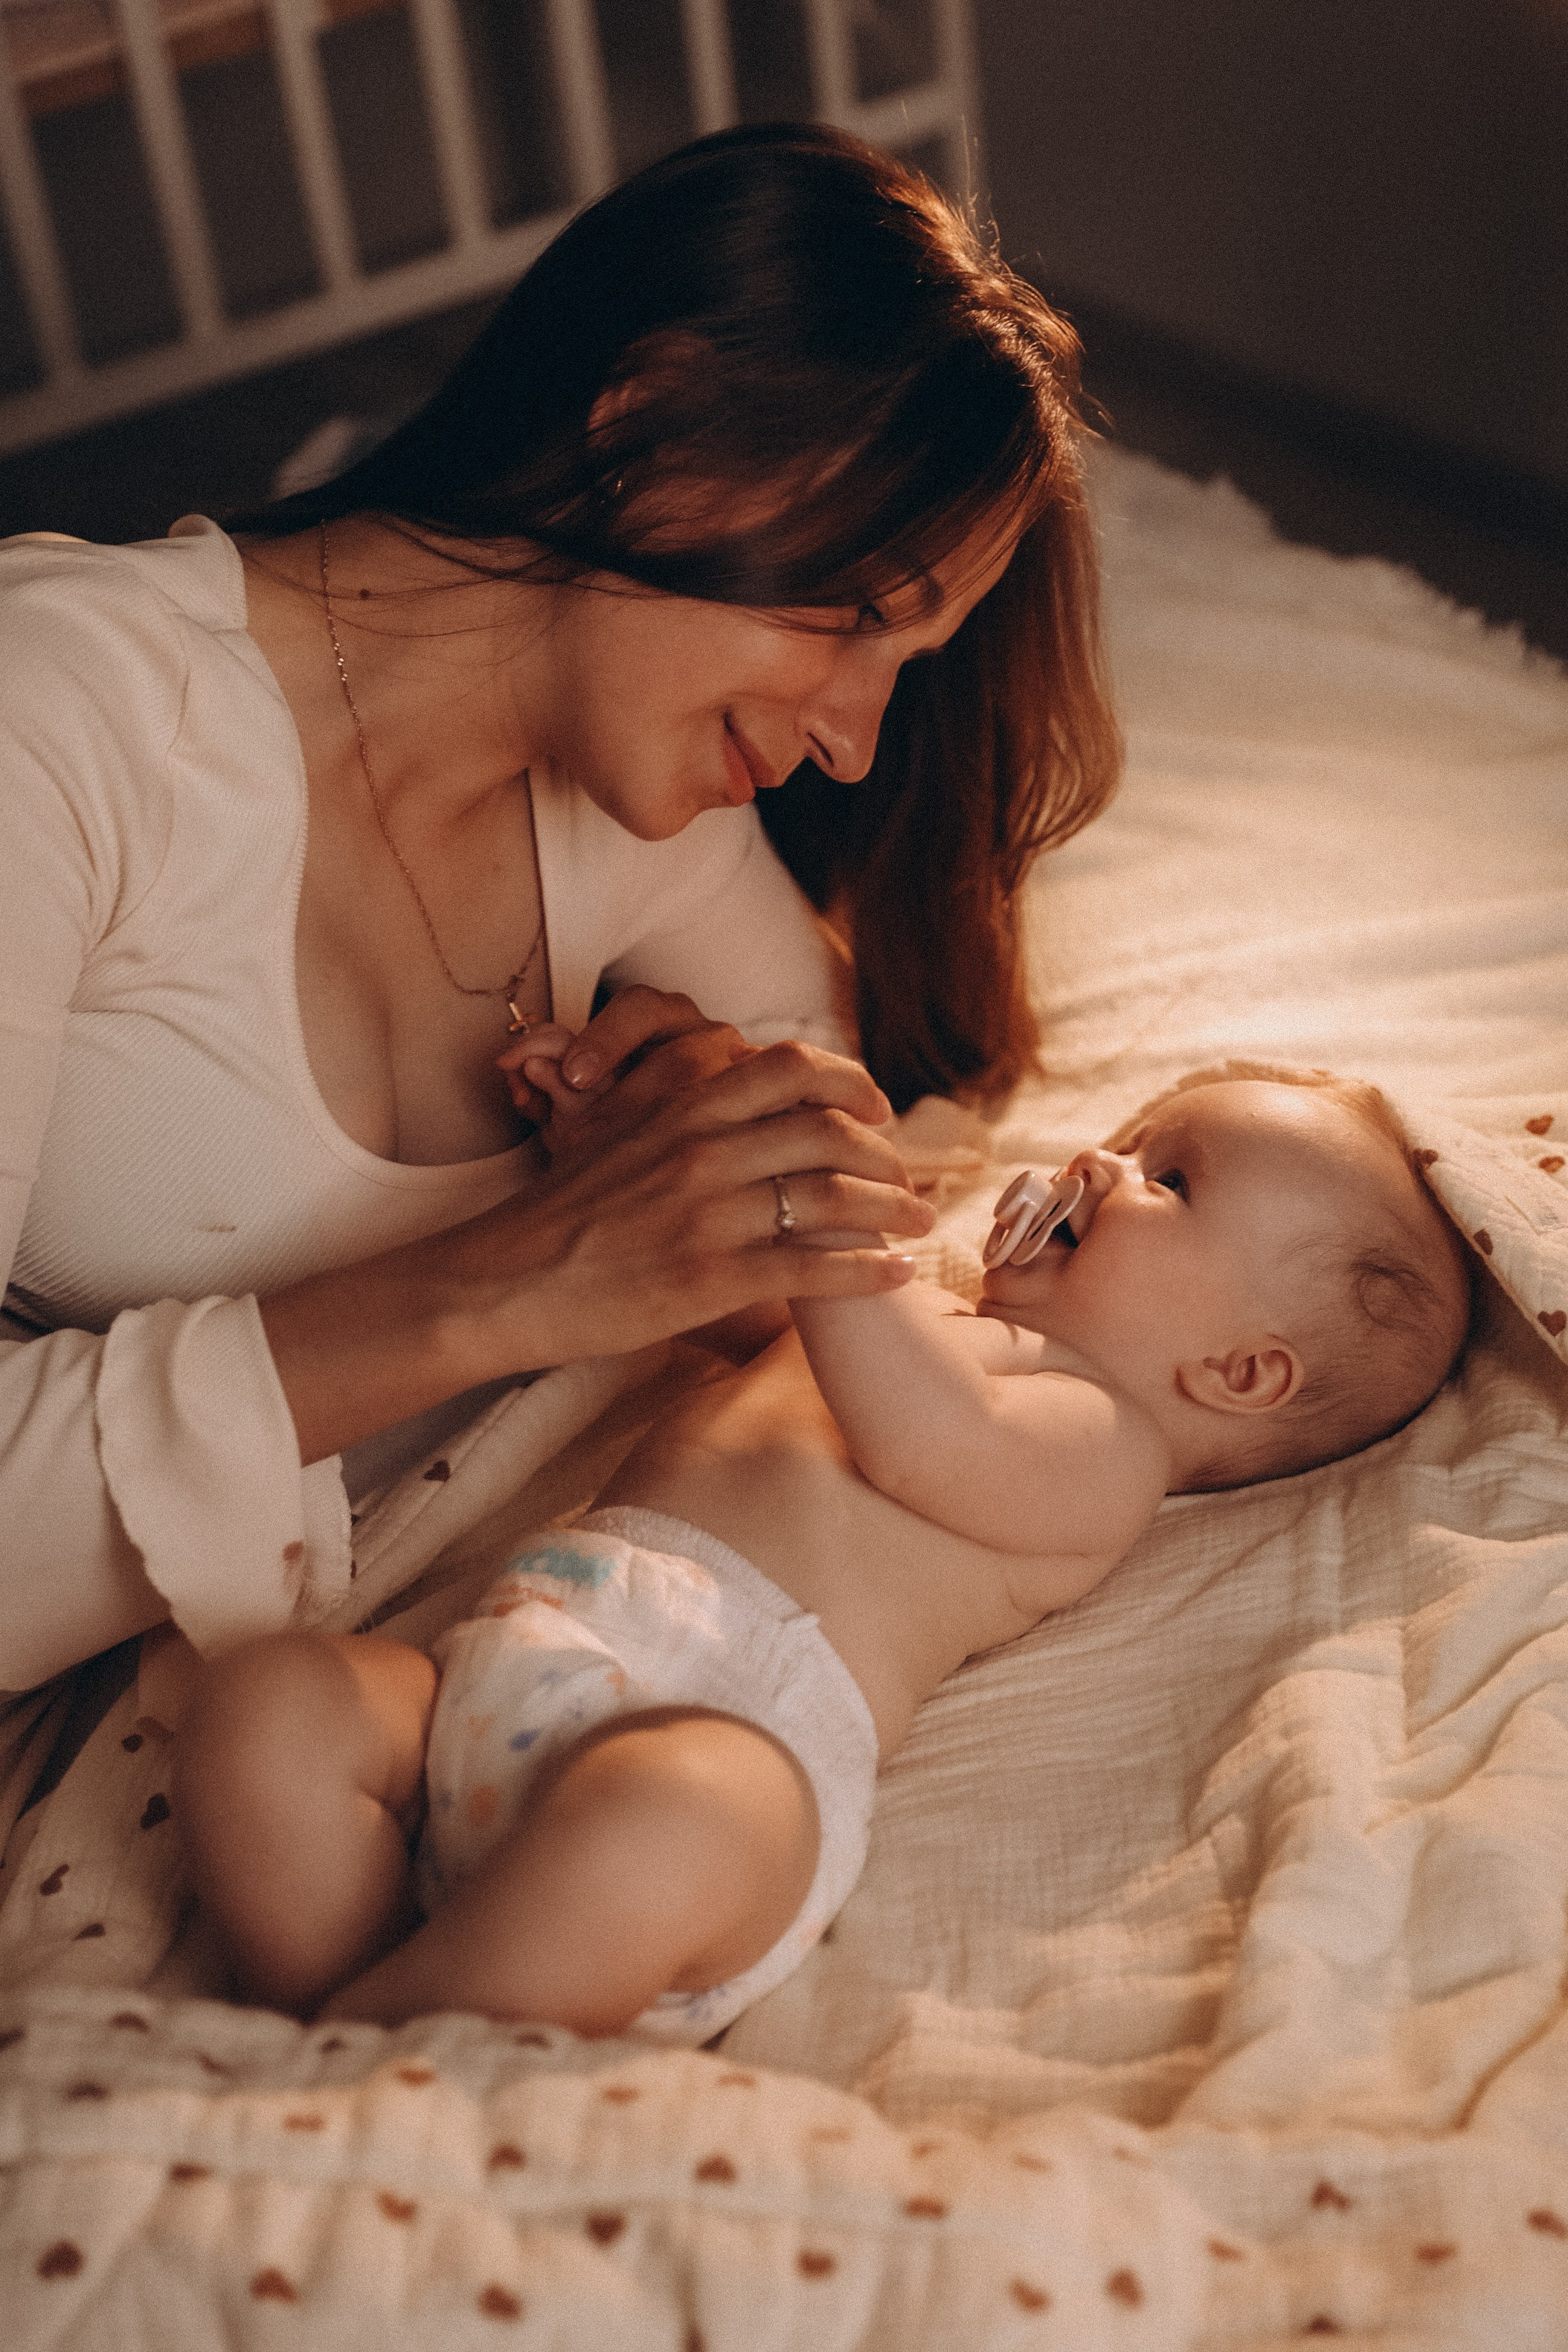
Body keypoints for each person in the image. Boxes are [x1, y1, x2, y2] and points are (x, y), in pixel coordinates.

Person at [0, 124, 1120, 1695]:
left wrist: (687, 1146)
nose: (854, 743)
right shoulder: (61, 720)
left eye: (905, 668)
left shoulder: (628, 796)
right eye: (856, 614)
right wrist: (523, 1275)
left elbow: (823, 1148)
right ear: (652, 422)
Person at [173, 1068, 1472, 2040]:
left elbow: (923, 1434)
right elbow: (739, 1307)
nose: (1096, 1158)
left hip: (730, 1732)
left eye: (1169, 1179)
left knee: (654, 1827)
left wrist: (826, 1225)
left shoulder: (1102, 1443)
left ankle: (382, 2050)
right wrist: (646, 1161)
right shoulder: (931, 1310)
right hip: (510, 1657)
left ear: (1241, 1373)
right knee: (267, 1701)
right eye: (1129, 1133)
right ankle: (341, 2003)